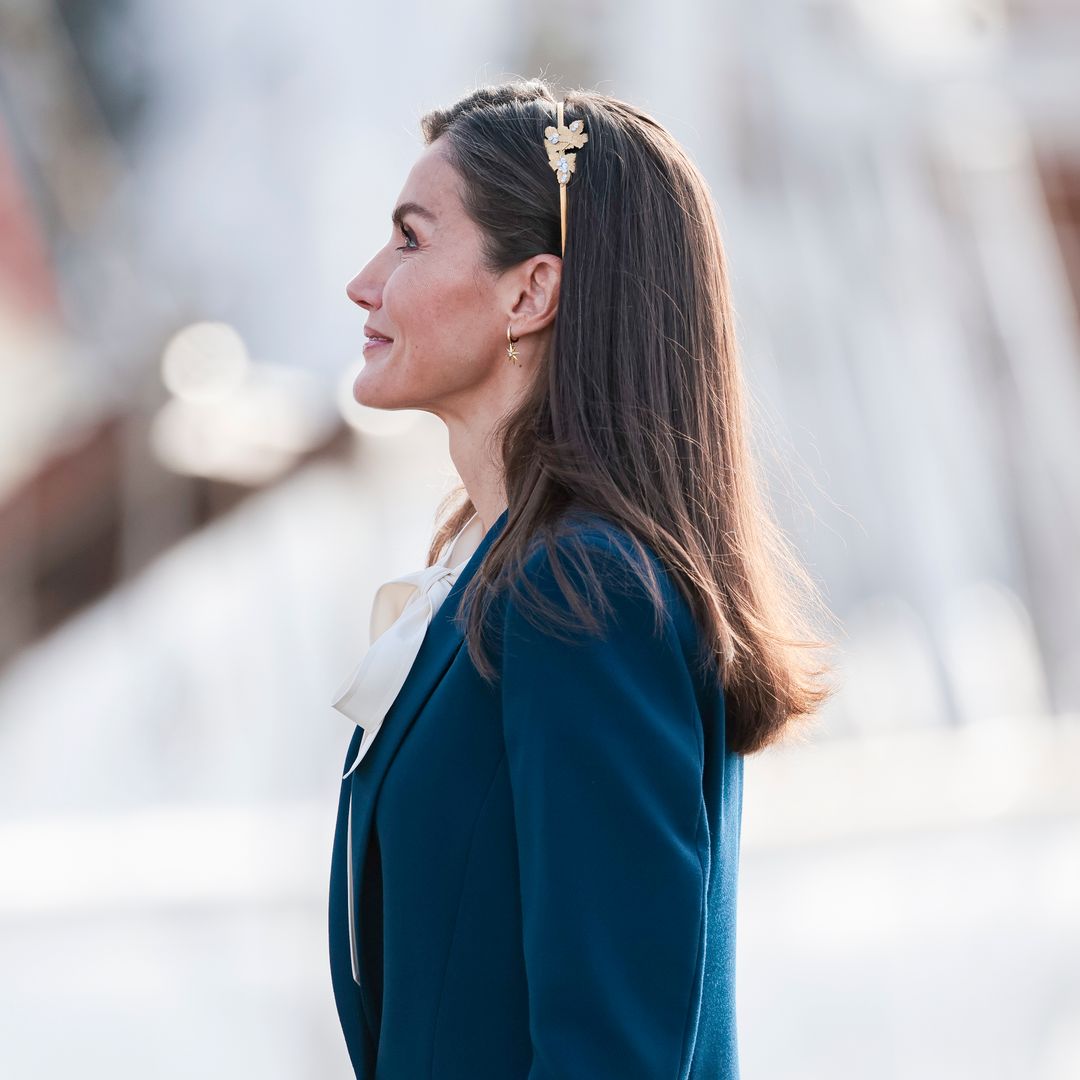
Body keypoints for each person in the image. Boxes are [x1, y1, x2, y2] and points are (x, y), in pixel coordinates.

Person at [328, 78, 836, 1079]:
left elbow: (614, 1050)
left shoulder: (584, 591)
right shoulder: (502, 573)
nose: (363, 281)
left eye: (410, 239)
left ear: (531, 292)